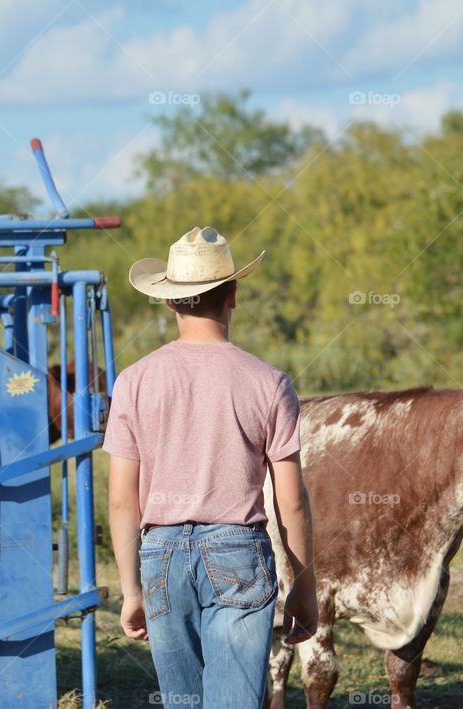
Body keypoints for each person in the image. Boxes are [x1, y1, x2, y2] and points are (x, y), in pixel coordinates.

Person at [104, 226, 319, 708]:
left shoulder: (134, 381)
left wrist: (131, 589)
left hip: (159, 556)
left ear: (170, 302)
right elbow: (292, 502)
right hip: (237, 553)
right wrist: (304, 586)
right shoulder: (269, 382)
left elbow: (121, 499)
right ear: (234, 296)